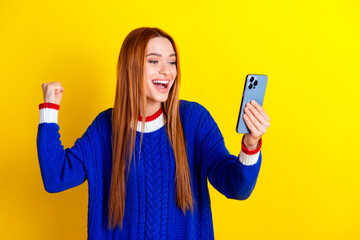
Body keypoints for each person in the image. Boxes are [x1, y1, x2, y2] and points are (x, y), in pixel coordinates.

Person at [37, 27, 270, 240]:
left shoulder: (193, 121)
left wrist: (251, 144)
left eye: (172, 62)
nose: (166, 71)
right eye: (154, 61)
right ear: (131, 67)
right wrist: (49, 110)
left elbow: (236, 187)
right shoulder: (105, 127)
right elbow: (56, 177)